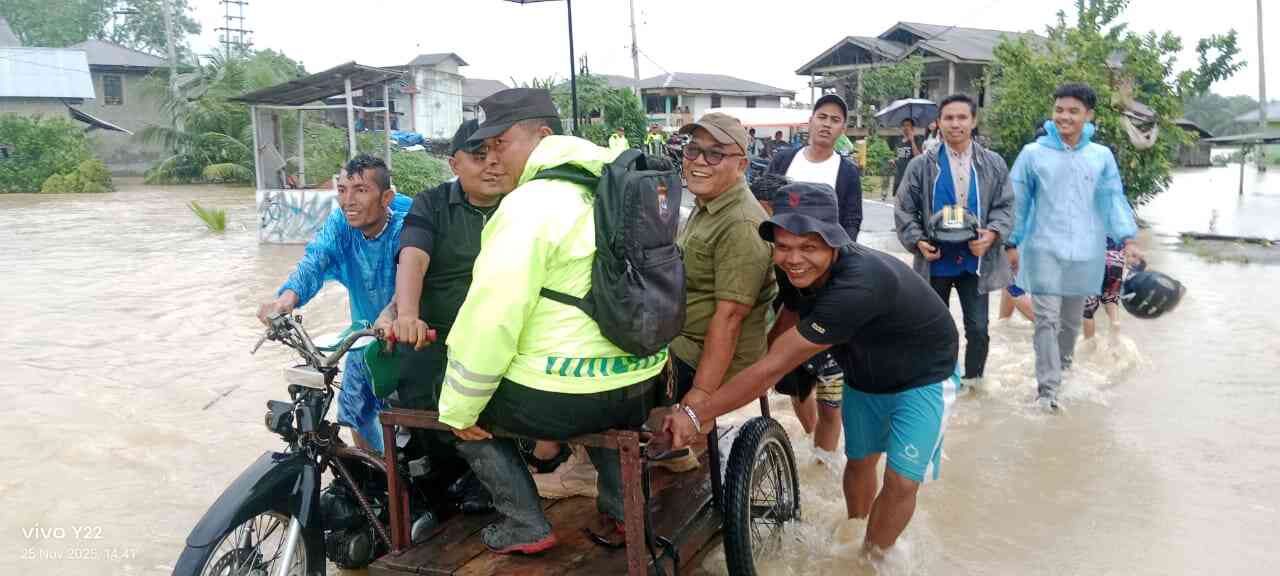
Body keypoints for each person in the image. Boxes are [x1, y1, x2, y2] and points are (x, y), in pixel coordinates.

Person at [663, 181, 959, 557]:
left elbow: (772, 369)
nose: (794, 259)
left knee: (901, 480)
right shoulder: (794, 272)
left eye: (809, 247)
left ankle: (872, 560)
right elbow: (783, 327)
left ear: (835, 243)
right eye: (783, 247)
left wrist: (696, 410)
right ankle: (856, 533)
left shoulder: (858, 285)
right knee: (860, 460)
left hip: (924, 374)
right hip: (865, 373)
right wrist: (734, 382)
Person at [437, 88, 666, 554]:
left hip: (565, 399)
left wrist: (458, 409)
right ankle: (625, 512)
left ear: (543, 135)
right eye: (486, 149)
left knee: (456, 405)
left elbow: (491, 317)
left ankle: (525, 524)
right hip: (645, 380)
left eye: (503, 144)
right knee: (598, 385)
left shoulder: (529, 206)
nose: (494, 158)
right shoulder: (619, 185)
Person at [257, 155, 411, 454]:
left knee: (411, 420)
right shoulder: (341, 224)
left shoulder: (407, 226)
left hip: (407, 336)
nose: (348, 201)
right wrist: (285, 299)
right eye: (342, 190)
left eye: (361, 190)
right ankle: (372, 481)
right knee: (354, 412)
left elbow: (412, 274)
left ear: (386, 197)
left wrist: (393, 311)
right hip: (362, 337)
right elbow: (316, 259)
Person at [1008, 83, 1141, 411]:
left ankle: (1063, 369)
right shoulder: (1033, 154)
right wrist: (1010, 242)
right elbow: (1018, 200)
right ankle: (1047, 391)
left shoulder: (1100, 156)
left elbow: (1113, 198)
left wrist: (1128, 239)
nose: (1064, 117)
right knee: (1046, 320)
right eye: (1059, 110)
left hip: (1085, 252)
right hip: (1043, 249)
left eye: (1073, 111)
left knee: (1070, 322)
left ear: (1088, 115)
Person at [667, 113, 777, 469]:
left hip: (709, 354)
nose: (699, 161)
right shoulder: (706, 206)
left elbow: (729, 319)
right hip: (684, 336)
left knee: (603, 379)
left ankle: (591, 471)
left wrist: (700, 397)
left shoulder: (742, 224)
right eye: (693, 150)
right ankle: (668, 447)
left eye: (715, 154)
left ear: (741, 164)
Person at [765, 93, 863, 459]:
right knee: (792, 372)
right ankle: (811, 440)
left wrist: (832, 266)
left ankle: (826, 452)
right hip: (781, 276)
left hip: (825, 281)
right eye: (821, 116)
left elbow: (851, 222)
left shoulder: (846, 171)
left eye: (835, 119)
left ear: (842, 129)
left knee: (830, 367)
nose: (826, 124)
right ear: (809, 120)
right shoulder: (783, 159)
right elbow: (765, 205)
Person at [895, 94, 1013, 391]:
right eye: (949, 118)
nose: (955, 124)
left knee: (979, 329)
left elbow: (1006, 205)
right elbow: (904, 208)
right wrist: (917, 241)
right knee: (932, 328)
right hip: (935, 261)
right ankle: (938, 384)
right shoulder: (922, 165)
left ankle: (973, 384)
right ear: (939, 123)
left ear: (973, 121)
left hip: (975, 262)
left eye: (962, 117)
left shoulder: (993, 163)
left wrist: (993, 234)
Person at [1083, 237, 1126, 339]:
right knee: (1111, 298)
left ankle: (1089, 347)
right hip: (1116, 258)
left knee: (1087, 310)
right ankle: (1115, 323)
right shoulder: (1115, 220)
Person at [889, 118, 922, 201]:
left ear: (912, 128)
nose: (905, 127)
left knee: (909, 201)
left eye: (908, 125)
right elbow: (901, 156)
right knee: (898, 200)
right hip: (899, 175)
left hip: (910, 175)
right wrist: (894, 161)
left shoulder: (917, 139)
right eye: (903, 125)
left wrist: (912, 141)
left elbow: (918, 157)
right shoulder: (899, 140)